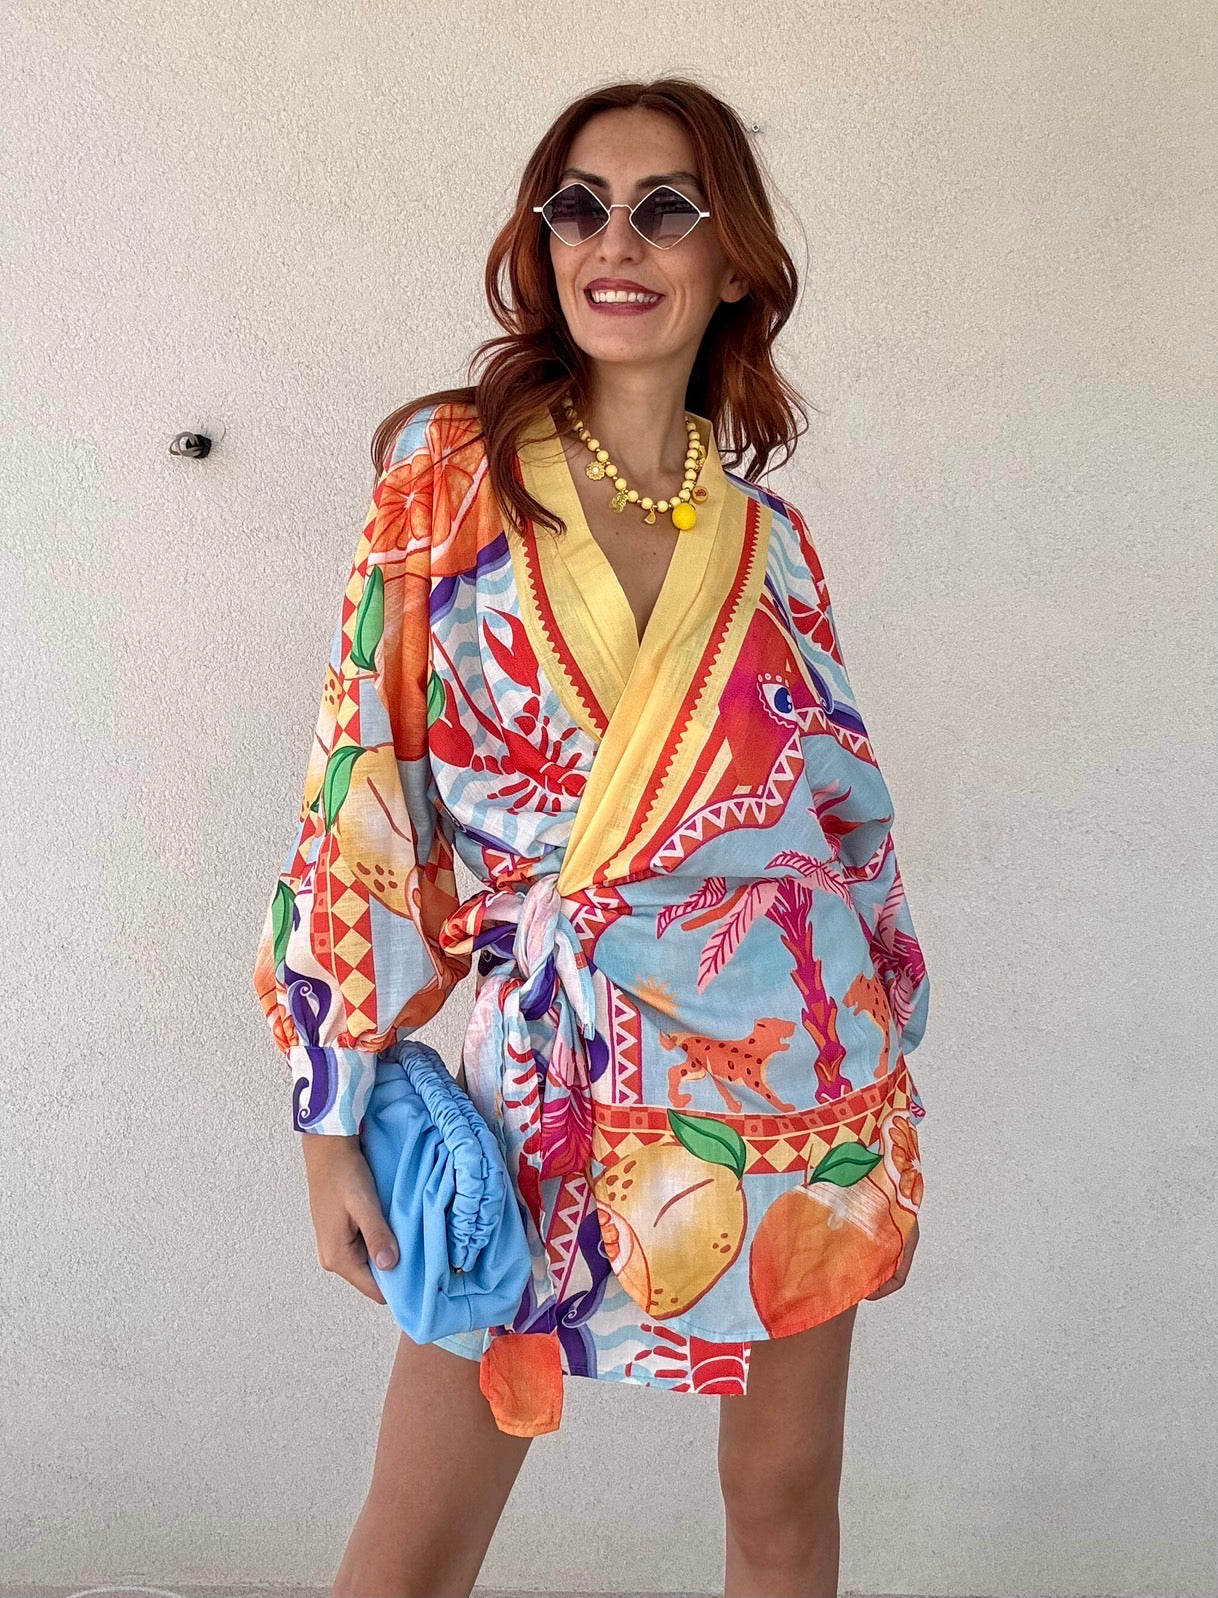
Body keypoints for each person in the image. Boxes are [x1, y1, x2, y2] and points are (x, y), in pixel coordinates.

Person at [253, 76, 931, 1598]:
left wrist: (892, 1011)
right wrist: (328, 1109)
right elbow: (357, 789)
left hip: (792, 1079)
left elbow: (847, 812)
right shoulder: (447, 486)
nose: (614, 241)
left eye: (665, 208)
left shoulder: (771, 547)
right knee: (415, 1540)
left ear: (733, 260)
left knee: (782, 1498)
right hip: (538, 1071)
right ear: (544, 242)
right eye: (579, 206)